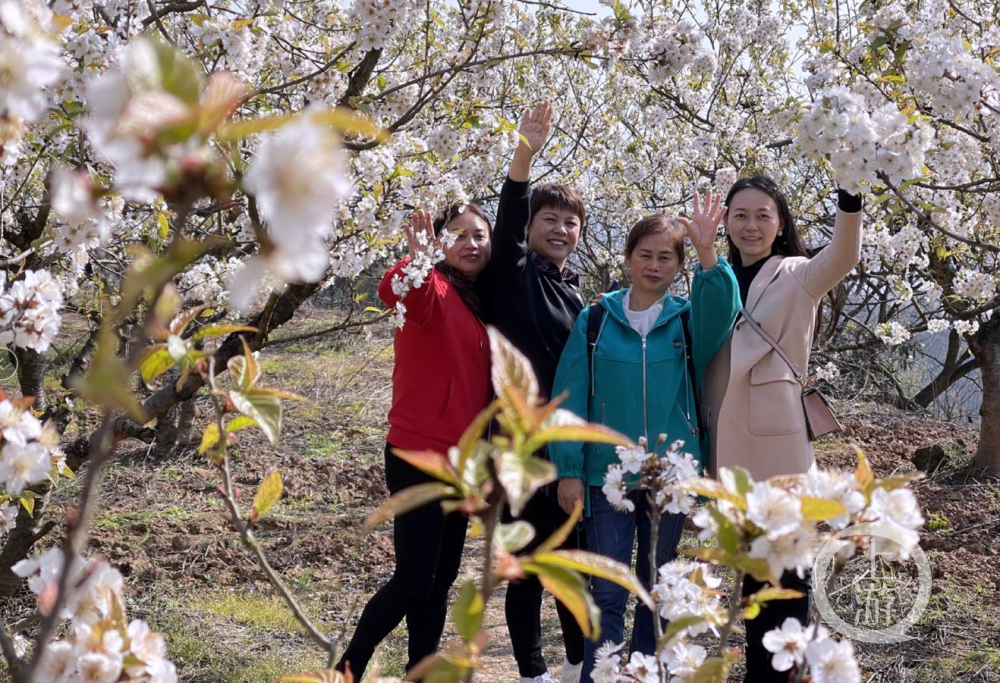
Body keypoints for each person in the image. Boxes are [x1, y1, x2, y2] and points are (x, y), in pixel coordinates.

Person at [549, 194, 740, 682]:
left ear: (678, 266)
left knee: (660, 588)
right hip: (604, 474)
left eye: (666, 257)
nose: (654, 265)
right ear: (628, 257)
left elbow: (723, 308)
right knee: (608, 589)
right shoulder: (596, 320)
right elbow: (569, 398)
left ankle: (646, 674)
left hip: (670, 477)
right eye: (645, 255)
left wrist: (706, 253)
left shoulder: (686, 320)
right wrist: (568, 470)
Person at [700, 175, 863, 682]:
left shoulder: (794, 274)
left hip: (778, 444)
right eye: (740, 215)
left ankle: (787, 672)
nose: (751, 226)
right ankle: (760, 671)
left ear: (780, 224)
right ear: (725, 220)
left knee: (789, 569)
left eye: (763, 215)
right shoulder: (716, 274)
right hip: (727, 443)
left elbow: (842, 257)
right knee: (750, 570)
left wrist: (849, 194)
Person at [337, 205, 492, 680]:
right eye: (458, 234)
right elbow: (394, 289)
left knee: (439, 581)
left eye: (480, 235)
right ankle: (347, 669)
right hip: (419, 453)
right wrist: (418, 258)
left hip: (463, 462)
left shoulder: (481, 297)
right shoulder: (434, 289)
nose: (470, 243)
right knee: (412, 581)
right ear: (440, 243)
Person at [476, 101, 588, 683]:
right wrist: (525, 153)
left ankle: (576, 668)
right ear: (529, 226)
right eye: (551, 219)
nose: (561, 229)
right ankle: (532, 673)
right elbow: (510, 212)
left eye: (572, 223)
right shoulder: (513, 273)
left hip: (568, 449)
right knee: (523, 566)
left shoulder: (576, 295)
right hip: (518, 447)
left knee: (569, 562)